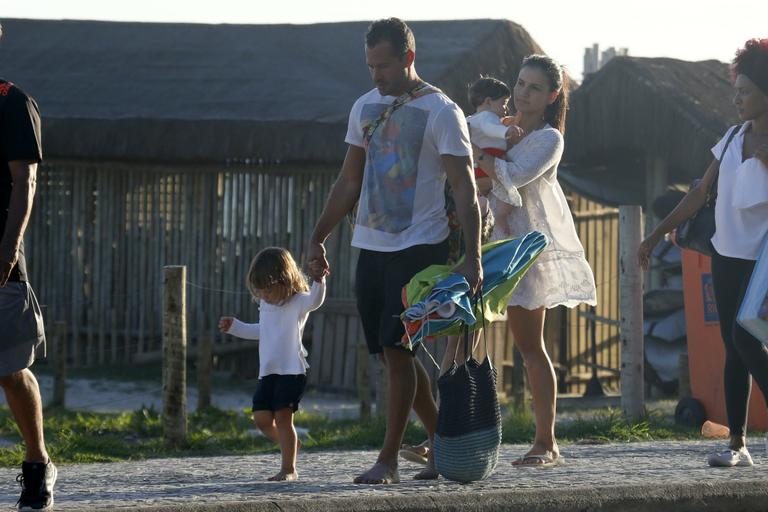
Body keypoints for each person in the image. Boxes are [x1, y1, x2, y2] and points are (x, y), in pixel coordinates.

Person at [307, 18, 482, 484]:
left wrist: (473, 258)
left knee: (398, 348)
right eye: (370, 66)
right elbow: (349, 180)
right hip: (371, 244)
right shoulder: (364, 107)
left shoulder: (441, 111)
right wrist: (319, 236)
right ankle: (444, 443)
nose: (376, 75)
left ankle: (387, 461)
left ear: (408, 57)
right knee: (391, 354)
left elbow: (464, 188)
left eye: (383, 65)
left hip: (421, 245)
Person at [638, 38, 768, 468]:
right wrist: (656, 234)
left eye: (746, 91)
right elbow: (699, 194)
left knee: (747, 341)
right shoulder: (732, 138)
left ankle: (740, 441)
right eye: (737, 89)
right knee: (735, 347)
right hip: (726, 255)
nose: (737, 98)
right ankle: (737, 444)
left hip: (763, 262)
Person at [476, 54, 597, 467]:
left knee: (529, 345)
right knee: (466, 339)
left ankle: (546, 441)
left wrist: (480, 153)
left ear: (551, 95)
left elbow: (514, 177)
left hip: (524, 248)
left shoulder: (549, 139)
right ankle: (458, 434)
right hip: (486, 242)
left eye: (534, 87)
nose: (523, 93)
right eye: (520, 83)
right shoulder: (497, 127)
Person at [0, 21, 57, 512]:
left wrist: (8, 250)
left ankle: (37, 462)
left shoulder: (12, 102)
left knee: (10, 369)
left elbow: (26, 183)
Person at [219, 247, 326, 481]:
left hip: (291, 371)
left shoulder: (298, 302)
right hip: (267, 372)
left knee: (283, 419)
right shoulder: (266, 305)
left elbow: (316, 300)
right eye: (259, 290)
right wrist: (235, 326)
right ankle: (291, 445)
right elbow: (263, 331)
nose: (264, 295)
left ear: (284, 280)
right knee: (262, 419)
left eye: (268, 289)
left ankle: (289, 469)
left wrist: (319, 279)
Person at [466, 77, 518, 236]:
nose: (506, 108)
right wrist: (506, 131)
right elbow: (490, 128)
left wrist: (503, 123)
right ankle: (501, 218)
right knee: (506, 191)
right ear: (488, 101)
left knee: (480, 196)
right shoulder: (487, 118)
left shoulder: (471, 119)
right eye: (503, 103)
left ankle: (483, 214)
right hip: (491, 161)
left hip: (477, 165)